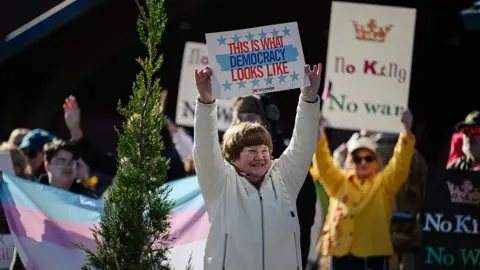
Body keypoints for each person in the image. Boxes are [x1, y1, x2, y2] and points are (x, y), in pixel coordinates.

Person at [193, 64, 322, 270]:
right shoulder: (219, 183)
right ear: (234, 155)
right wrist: (206, 103)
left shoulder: (284, 179)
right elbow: (204, 151)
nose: (260, 157)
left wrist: (308, 99)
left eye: (264, 151)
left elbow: (303, 146)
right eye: (251, 151)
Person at [314, 110, 415, 270]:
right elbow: (323, 162)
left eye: (368, 158)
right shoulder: (339, 182)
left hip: (373, 254)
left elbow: (400, 164)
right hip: (341, 252)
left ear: (377, 161)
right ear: (349, 160)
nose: (363, 162)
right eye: (357, 158)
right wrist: (319, 131)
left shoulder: (384, 184)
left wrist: (406, 131)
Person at [231, 94, 317, 268]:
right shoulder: (228, 166)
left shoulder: (288, 163)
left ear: (267, 120)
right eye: (239, 119)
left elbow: (303, 222)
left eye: (251, 118)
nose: (243, 125)